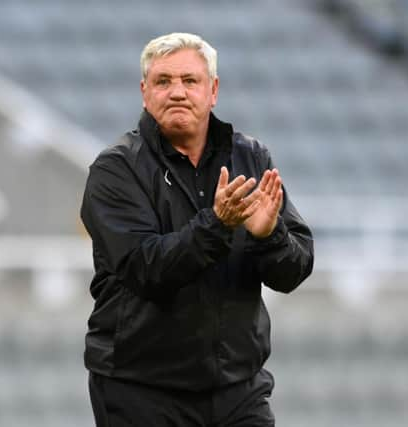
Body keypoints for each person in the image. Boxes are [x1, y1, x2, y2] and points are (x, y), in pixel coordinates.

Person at [80, 32, 314, 427]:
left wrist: (268, 235)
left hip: (238, 390)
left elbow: (293, 270)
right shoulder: (116, 170)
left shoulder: (251, 157)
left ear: (213, 90)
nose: (177, 92)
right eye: (163, 81)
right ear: (144, 92)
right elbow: (147, 269)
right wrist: (217, 224)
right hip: (142, 390)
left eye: (190, 81)